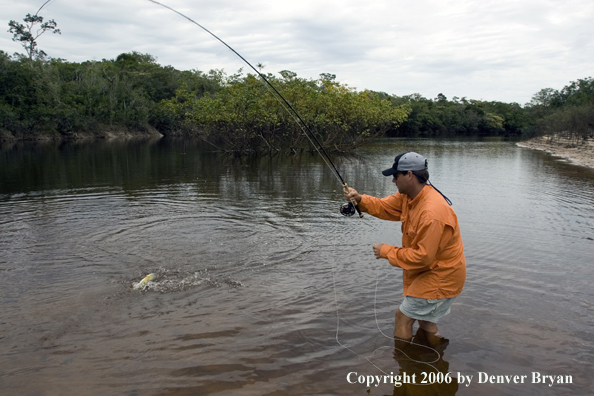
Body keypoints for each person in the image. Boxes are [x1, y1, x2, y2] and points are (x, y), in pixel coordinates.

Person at [344, 151, 466, 342]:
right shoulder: (409, 197)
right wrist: (360, 200)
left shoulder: (431, 212)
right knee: (425, 320)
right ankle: (433, 359)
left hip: (441, 275)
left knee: (403, 317)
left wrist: (386, 251)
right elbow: (385, 207)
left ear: (410, 175)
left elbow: (422, 257)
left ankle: (404, 362)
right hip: (434, 271)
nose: (393, 181)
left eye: (395, 176)